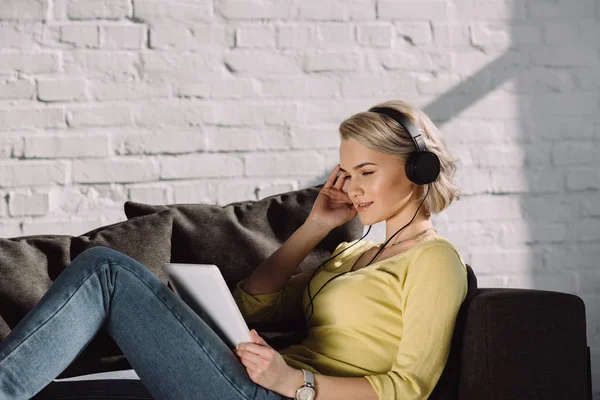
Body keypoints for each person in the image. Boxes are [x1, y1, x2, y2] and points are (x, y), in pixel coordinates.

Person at [0, 99, 467, 400]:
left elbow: (409, 388)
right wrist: (314, 228)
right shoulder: (353, 255)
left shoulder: (434, 261)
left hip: (284, 396)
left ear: (419, 169)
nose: (352, 186)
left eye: (366, 171)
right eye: (345, 172)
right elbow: (253, 303)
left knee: (107, 271)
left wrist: (296, 383)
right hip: (256, 383)